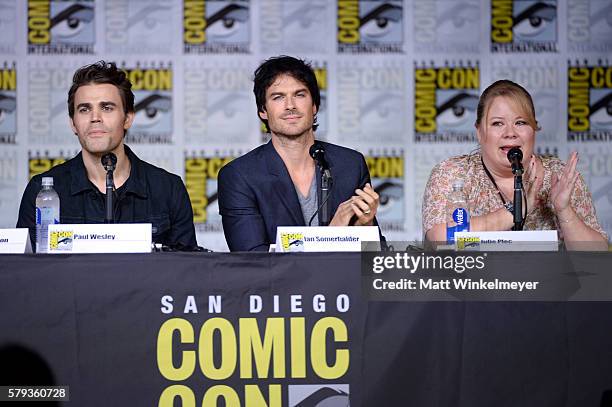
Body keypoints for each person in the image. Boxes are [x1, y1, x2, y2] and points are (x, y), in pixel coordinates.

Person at [17, 61, 197, 250]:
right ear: (73, 123)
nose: (95, 117)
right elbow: (27, 272)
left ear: (127, 118)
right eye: (84, 109)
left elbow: (186, 271)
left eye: (107, 108)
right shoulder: (41, 191)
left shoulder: (168, 189)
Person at [218, 55, 382, 251]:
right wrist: (334, 232)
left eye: (300, 95)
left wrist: (364, 225)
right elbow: (253, 262)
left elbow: (375, 258)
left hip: (342, 281)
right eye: (278, 97)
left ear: (314, 106)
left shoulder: (350, 164)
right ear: (263, 110)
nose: (290, 105)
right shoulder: (239, 175)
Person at [422, 79, 607, 250]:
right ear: (479, 132)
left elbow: (596, 255)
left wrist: (564, 210)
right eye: (497, 123)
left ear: (534, 129)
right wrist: (515, 211)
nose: (510, 133)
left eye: (520, 122)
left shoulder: (559, 177)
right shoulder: (454, 174)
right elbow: (439, 237)